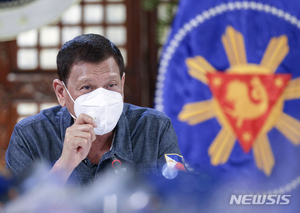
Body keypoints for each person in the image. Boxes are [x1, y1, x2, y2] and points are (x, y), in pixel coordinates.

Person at [5, 34, 183, 185]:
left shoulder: (156, 127)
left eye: (111, 85)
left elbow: (180, 197)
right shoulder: (30, 136)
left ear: (122, 83)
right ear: (61, 92)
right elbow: (16, 206)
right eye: (87, 87)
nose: (102, 98)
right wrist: (64, 165)